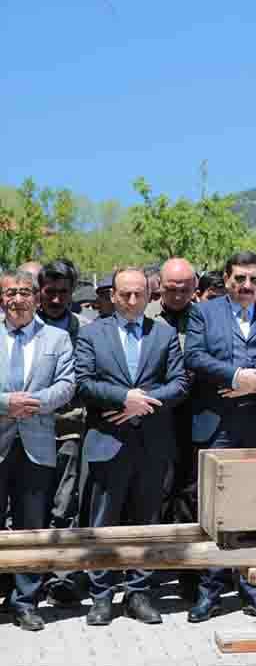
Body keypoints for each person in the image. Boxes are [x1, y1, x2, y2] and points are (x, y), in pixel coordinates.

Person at [184, 252, 256, 623]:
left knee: (255, 508)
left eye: (253, 280)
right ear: (227, 279)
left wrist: (254, 381)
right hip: (218, 426)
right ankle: (210, 592)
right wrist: (234, 377)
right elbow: (194, 356)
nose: (247, 286)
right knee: (213, 510)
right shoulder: (204, 313)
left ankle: (254, 590)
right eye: (239, 279)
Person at [76, 267, 188, 626]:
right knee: (104, 522)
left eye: (139, 294)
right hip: (108, 440)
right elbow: (83, 382)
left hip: (152, 443)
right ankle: (101, 595)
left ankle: (139, 593)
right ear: (112, 295)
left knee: (146, 521)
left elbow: (179, 383)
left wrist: (144, 403)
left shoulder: (164, 333)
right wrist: (124, 398)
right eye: (125, 294)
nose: (132, 300)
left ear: (149, 295)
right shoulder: (92, 333)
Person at [0, 270, 76, 631]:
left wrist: (34, 403)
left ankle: (25, 601)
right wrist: (6, 403)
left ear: (36, 297)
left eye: (25, 292)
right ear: (1, 299)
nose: (18, 299)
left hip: (37, 443)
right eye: (10, 292)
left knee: (31, 524)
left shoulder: (57, 338)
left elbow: (67, 385)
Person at [36, 260, 89, 606]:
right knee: (25, 508)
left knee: (64, 506)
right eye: (50, 291)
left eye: (63, 292)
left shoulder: (85, 329)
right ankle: (24, 576)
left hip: (68, 431)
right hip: (25, 431)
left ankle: (61, 577)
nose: (56, 299)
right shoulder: (23, 326)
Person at [153, 259, 200, 557]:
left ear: (195, 287)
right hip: (154, 412)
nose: (178, 295)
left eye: (185, 289)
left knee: (190, 490)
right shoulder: (145, 316)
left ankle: (187, 563)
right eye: (171, 289)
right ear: (159, 286)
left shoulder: (205, 317)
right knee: (157, 487)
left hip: (195, 414)